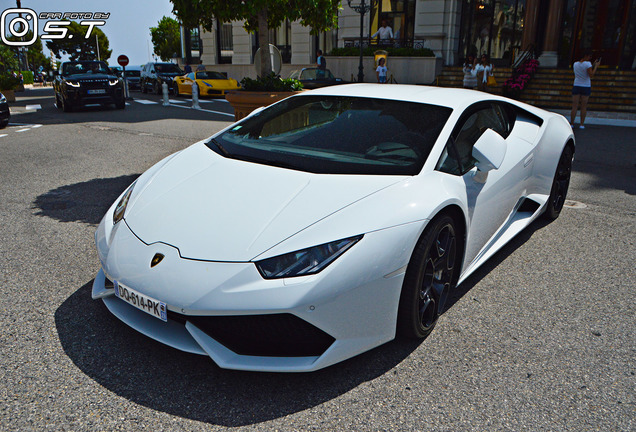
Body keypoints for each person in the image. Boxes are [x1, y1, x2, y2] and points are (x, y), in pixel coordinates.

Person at [571, 51, 600, 129]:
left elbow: (584, 70)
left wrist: (592, 65)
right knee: (583, 106)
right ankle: (581, 124)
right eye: (589, 56)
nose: (590, 58)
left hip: (576, 84)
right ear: (586, 56)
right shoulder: (588, 64)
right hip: (585, 85)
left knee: (574, 106)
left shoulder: (575, 64)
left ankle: (572, 123)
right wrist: (596, 66)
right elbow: (591, 74)